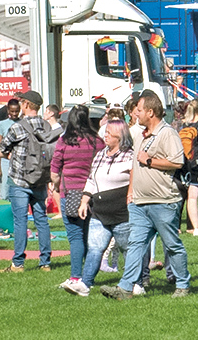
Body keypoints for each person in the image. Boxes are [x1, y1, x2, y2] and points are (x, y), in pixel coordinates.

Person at [102, 91, 190, 299]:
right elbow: (135, 165)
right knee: (136, 245)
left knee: (171, 243)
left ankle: (183, 284)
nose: (136, 114)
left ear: (150, 112)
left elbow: (177, 162)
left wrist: (150, 160)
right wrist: (131, 191)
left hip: (163, 202)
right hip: (139, 202)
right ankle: (125, 288)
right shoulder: (140, 135)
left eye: (139, 110)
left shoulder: (167, 133)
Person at [63, 119, 134, 297]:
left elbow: (134, 180)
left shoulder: (130, 156)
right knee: (95, 247)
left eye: (109, 132)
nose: (106, 135)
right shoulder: (101, 154)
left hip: (121, 213)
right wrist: (84, 201)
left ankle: (135, 282)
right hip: (99, 212)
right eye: (105, 132)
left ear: (120, 135)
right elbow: (91, 180)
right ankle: (85, 284)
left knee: (127, 248)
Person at [0, 89, 53, 273]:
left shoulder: (17, 127)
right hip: (40, 180)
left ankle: (18, 263)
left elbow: (3, 147)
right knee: (42, 220)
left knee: (20, 221)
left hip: (19, 180)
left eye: (22, 103)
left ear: (27, 105)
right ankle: (45, 262)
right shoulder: (47, 127)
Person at [51, 104, 101, 288]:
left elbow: (55, 170)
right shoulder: (96, 140)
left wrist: (56, 186)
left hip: (70, 193)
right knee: (90, 236)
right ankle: (89, 278)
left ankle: (75, 277)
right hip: (93, 193)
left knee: (75, 236)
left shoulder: (65, 141)